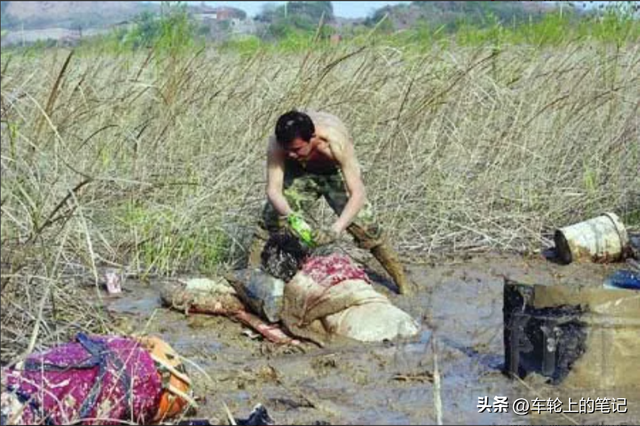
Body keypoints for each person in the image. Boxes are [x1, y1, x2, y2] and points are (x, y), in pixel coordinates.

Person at [248, 109, 411, 295]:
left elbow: (358, 193)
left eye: (296, 149)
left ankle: (402, 282)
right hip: (300, 173)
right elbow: (273, 190)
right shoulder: (277, 145)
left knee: (367, 228)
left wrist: (336, 229)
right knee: (270, 221)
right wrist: (292, 218)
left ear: (313, 137)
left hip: (333, 173)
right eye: (288, 151)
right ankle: (251, 279)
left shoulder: (335, 142)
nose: (291, 154)